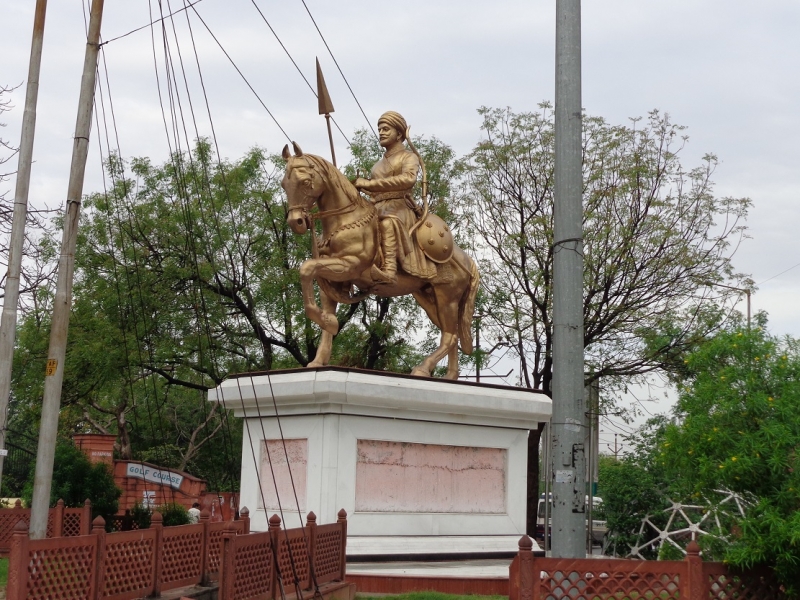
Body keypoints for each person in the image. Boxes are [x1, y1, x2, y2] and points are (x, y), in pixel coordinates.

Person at [353, 111, 435, 283]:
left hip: (400, 207)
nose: (381, 132)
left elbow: (408, 179)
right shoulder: (377, 166)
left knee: (388, 222)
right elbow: (375, 192)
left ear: (399, 134)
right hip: (377, 207)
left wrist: (368, 184)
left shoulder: (409, 157)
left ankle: (389, 269)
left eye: (386, 129)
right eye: (379, 129)